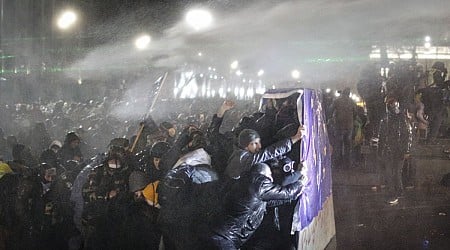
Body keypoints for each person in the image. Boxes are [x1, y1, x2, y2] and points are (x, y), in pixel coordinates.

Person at [205, 162, 305, 250]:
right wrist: (301, 179)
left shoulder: (248, 186)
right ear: (265, 175)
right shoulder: (258, 182)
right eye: (270, 175)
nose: (271, 179)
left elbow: (271, 201)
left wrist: (293, 196)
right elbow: (287, 192)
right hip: (224, 239)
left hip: (220, 237)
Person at [225, 125, 304, 179]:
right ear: (246, 146)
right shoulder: (242, 159)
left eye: (259, 142)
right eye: (255, 143)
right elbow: (268, 153)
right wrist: (295, 138)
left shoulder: (240, 152)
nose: (259, 146)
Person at [377, 97, 413, 204]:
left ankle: (398, 191)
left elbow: (408, 135)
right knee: (390, 172)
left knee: (397, 171)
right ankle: (393, 191)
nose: (394, 108)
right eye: (391, 105)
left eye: (395, 105)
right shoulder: (385, 120)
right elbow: (382, 137)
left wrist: (406, 150)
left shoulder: (402, 119)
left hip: (399, 150)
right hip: (389, 150)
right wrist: (380, 150)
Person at [329, 87, 357, 168]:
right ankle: (347, 163)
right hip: (349, 126)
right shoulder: (352, 101)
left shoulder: (337, 101)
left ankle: (338, 162)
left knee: (338, 144)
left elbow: (330, 110)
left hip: (339, 125)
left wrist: (331, 119)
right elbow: (355, 113)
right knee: (348, 144)